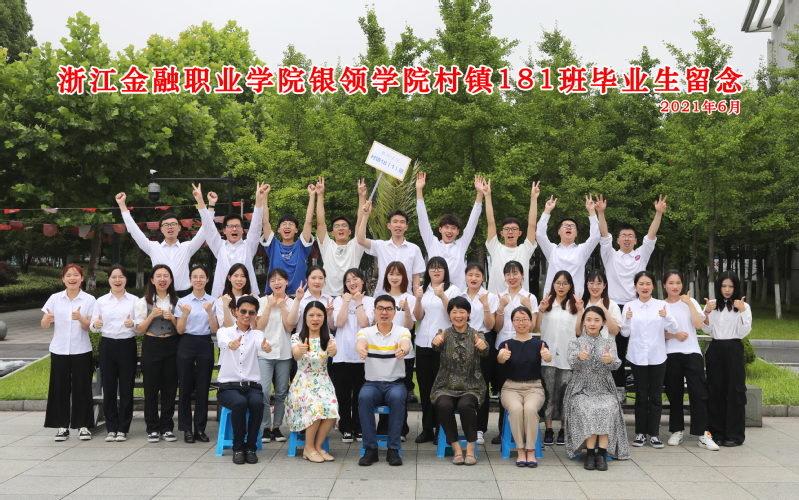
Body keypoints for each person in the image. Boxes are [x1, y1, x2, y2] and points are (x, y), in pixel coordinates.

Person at [597, 195, 667, 402]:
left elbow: (651, 236)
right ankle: (618, 388)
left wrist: (658, 213)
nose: (627, 239)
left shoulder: (641, 255)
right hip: (615, 307)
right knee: (615, 349)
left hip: (637, 306)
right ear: (618, 240)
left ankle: (643, 391)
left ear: (635, 240)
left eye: (630, 236)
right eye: (623, 236)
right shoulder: (610, 255)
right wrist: (601, 213)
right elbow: (604, 234)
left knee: (639, 347)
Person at [564, 306, 630, 470]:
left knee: (608, 406)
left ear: (603, 323)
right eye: (588, 320)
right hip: (581, 389)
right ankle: (590, 453)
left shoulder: (609, 342)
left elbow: (616, 364)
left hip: (604, 388)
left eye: (596, 320)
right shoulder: (575, 342)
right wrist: (579, 358)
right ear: (583, 322)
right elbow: (571, 363)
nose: (592, 323)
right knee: (587, 407)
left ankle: (601, 453)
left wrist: (610, 360)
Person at [662, 270, 719, 450]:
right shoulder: (661, 306)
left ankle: (703, 434)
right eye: (671, 283)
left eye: (678, 282)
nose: (675, 286)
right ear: (664, 285)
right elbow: (658, 333)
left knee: (699, 393)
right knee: (674, 393)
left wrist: (689, 304)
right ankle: (676, 431)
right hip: (671, 354)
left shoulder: (690, 301)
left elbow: (699, 324)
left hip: (692, 353)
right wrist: (675, 335)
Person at [115, 186, 209, 297]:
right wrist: (122, 205)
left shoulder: (187, 247)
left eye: (173, 224)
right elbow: (134, 231)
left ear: (179, 228)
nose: (170, 227)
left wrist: (202, 202)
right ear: (161, 229)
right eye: (166, 225)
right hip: (160, 295)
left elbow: (206, 229)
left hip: (183, 296)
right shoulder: (153, 247)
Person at [621, 271, 678, 449]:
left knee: (655, 396)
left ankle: (654, 434)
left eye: (648, 284)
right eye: (641, 284)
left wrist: (666, 316)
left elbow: (674, 328)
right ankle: (640, 434)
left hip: (657, 356)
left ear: (653, 286)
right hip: (637, 357)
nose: (644, 287)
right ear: (635, 286)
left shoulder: (662, 305)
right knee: (640, 396)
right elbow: (624, 333)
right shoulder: (629, 306)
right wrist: (627, 320)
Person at [41, 264, 97, 441]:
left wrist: (80, 318)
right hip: (59, 350)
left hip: (82, 350)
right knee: (59, 388)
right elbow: (44, 324)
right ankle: (62, 427)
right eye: (68, 275)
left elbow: (90, 327)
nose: (72, 278)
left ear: (82, 278)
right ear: (63, 279)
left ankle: (83, 426)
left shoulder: (89, 300)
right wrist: (47, 320)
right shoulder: (55, 298)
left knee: (82, 388)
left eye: (76, 275)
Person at [430, 297, 489, 465]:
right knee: (444, 405)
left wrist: (483, 346)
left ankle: (470, 448)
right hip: (445, 386)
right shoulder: (443, 334)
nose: (458, 315)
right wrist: (436, 341)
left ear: (468, 313)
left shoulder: (477, 334)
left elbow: (485, 349)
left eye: (462, 311)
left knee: (465, 405)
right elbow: (435, 345)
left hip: (471, 386)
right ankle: (456, 448)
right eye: (454, 312)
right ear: (449, 314)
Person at [356, 295, 412, 466]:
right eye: (380, 308)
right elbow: (360, 343)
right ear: (374, 311)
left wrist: (402, 351)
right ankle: (370, 449)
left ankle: (393, 449)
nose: (384, 312)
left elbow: (406, 344)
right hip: (372, 384)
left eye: (388, 309)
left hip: (395, 384)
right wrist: (361, 349)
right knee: (364, 397)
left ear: (394, 312)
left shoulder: (402, 331)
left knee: (398, 397)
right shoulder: (366, 332)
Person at [216, 296, 272, 464]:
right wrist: (231, 344)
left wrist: (265, 346)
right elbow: (223, 342)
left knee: (257, 403)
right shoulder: (224, 331)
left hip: (251, 386)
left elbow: (261, 342)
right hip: (228, 388)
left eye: (251, 312)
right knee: (239, 403)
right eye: (243, 311)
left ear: (255, 315)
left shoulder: (257, 334)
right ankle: (238, 448)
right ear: (235, 312)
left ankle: (250, 448)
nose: (247, 315)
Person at [413, 257, 462, 443]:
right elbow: (419, 316)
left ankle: (441, 429)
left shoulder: (453, 290)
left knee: (441, 389)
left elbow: (454, 315)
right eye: (432, 268)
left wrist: (442, 296)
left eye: (439, 268)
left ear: (445, 271)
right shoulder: (423, 290)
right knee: (425, 387)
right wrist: (418, 299)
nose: (436, 271)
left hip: (443, 345)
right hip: (423, 343)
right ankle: (427, 428)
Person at [497, 306, 551, 467]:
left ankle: (531, 451)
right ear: (512, 322)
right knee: (515, 409)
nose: (521, 323)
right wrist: (502, 356)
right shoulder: (506, 344)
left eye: (525, 319)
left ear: (531, 322)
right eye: (517, 320)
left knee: (529, 409)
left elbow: (548, 357)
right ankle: (521, 450)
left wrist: (547, 355)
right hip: (510, 388)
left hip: (534, 388)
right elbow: (500, 358)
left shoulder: (540, 344)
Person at [492, 260, 539, 444]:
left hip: (524, 349)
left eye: (515, 273)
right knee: (504, 391)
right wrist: (501, 308)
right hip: (503, 348)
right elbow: (497, 327)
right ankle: (503, 431)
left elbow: (533, 328)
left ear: (522, 275)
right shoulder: (500, 296)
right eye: (508, 274)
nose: (512, 277)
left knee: (524, 392)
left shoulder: (529, 297)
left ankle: (525, 432)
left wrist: (528, 307)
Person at [286, 302, 340, 463]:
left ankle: (317, 447)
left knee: (332, 408)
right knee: (315, 406)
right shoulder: (297, 337)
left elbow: (333, 352)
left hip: (323, 381)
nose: (315, 319)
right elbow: (296, 355)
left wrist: (334, 351)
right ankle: (308, 448)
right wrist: (300, 351)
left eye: (319, 315)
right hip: (303, 383)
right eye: (311, 315)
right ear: (305, 317)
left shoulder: (329, 338)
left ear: (324, 318)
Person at [703, 271, 752, 447]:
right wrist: (707, 312)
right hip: (716, 347)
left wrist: (742, 311)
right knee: (715, 390)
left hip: (734, 348)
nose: (727, 289)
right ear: (719, 287)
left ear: (736, 287)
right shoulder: (712, 304)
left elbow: (743, 331)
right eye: (724, 286)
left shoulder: (743, 306)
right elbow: (706, 329)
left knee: (735, 391)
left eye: (731, 286)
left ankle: (734, 434)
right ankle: (717, 433)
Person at [89, 264, 138, 442]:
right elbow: (93, 326)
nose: (117, 280)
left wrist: (133, 324)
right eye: (114, 277)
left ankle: (123, 428)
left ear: (126, 279)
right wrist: (95, 325)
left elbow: (141, 326)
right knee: (108, 388)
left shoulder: (135, 301)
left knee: (126, 389)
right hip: (107, 345)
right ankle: (111, 428)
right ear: (109, 279)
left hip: (127, 345)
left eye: (121, 277)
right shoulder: (101, 301)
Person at [415, 172, 484, 291]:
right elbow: (423, 219)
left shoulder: (461, 245)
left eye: (453, 228)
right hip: (435, 295)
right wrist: (419, 190)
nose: (449, 231)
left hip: (458, 296)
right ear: (440, 229)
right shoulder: (432, 244)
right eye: (446, 227)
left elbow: (473, 220)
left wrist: (480, 193)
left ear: (458, 232)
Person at [533, 270, 579, 446]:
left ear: (570, 286)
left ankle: (563, 429)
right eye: (558, 282)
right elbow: (536, 328)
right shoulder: (547, 304)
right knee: (549, 394)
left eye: (565, 283)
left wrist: (581, 311)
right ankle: (549, 429)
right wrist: (540, 310)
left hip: (567, 358)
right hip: (548, 357)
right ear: (553, 284)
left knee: (566, 395)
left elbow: (579, 331)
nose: (561, 286)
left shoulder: (574, 306)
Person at [134, 264, 180, 443]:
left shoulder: (178, 301)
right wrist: (151, 316)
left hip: (172, 345)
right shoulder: (142, 302)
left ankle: (167, 427)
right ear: (152, 280)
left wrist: (173, 318)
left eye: (166, 276)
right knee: (151, 388)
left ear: (171, 280)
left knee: (170, 388)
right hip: (151, 345)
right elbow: (139, 330)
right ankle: (152, 428)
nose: (162, 279)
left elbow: (182, 329)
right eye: (158, 276)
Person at [174, 264, 218, 443]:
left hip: (205, 342)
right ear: (190, 280)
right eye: (195, 277)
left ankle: (200, 429)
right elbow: (179, 330)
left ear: (207, 279)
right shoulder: (182, 301)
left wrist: (210, 312)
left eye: (202, 277)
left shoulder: (213, 301)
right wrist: (184, 315)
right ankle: (186, 429)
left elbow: (215, 329)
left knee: (203, 387)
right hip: (186, 342)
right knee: (184, 387)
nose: (198, 280)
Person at [200, 182, 267, 296]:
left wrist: (258, 200)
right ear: (224, 231)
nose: (234, 229)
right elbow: (208, 227)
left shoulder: (248, 246)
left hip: (246, 296)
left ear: (242, 230)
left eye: (237, 226)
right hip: (223, 296)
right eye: (230, 226)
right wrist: (200, 201)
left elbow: (256, 226)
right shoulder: (219, 246)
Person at [332, 268, 375, 443]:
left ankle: (358, 426)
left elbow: (364, 323)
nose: (351, 283)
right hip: (342, 355)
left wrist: (358, 302)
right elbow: (339, 323)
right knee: (343, 394)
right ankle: (345, 427)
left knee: (361, 393)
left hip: (363, 355)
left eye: (355, 279)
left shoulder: (370, 301)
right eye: (348, 280)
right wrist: (346, 301)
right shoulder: (338, 300)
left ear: (362, 281)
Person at [256, 268, 298, 443]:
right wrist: (269, 306)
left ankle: (277, 427)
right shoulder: (262, 301)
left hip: (284, 353)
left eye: (280, 279)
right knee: (264, 391)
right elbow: (259, 326)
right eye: (272, 280)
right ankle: (266, 426)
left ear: (286, 282)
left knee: (281, 392)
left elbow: (289, 327)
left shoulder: (291, 302)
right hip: (264, 353)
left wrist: (282, 307)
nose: (276, 283)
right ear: (269, 284)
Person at [461, 263, 499, 445]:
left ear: (483, 277)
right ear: (465, 276)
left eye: (477, 275)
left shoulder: (490, 297)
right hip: (463, 340)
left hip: (484, 339)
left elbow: (491, 325)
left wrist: (485, 304)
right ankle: (466, 424)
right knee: (464, 383)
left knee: (482, 384)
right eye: (470, 274)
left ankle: (480, 429)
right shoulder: (459, 296)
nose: (474, 278)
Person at [535, 194, 600, 296]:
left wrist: (592, 212)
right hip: (553, 299)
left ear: (576, 233)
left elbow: (595, 237)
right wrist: (547, 211)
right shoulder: (552, 250)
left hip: (575, 300)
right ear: (559, 231)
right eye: (565, 225)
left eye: (572, 226)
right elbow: (539, 234)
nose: (569, 227)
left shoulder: (582, 251)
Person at [482, 179, 539, 294]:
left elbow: (532, 225)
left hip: (520, 301)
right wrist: (487, 196)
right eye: (507, 229)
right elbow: (490, 222)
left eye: (514, 229)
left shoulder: (525, 249)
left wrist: (534, 198)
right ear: (502, 233)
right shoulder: (495, 248)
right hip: (497, 301)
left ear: (520, 233)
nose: (510, 232)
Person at [381, 261, 417, 439]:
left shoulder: (410, 298)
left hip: (404, 354)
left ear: (404, 277)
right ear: (386, 276)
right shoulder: (380, 297)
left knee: (401, 392)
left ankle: (401, 428)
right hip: (382, 352)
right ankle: (383, 427)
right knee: (382, 390)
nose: (394, 278)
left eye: (398, 274)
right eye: (391, 274)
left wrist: (407, 309)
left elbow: (410, 327)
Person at [356, 202, 425, 295]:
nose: (398, 225)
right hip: (382, 297)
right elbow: (360, 240)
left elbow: (416, 277)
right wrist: (365, 216)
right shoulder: (381, 246)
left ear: (406, 227)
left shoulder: (414, 249)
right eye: (395, 222)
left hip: (405, 298)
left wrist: (417, 300)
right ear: (389, 226)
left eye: (402, 222)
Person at [315, 177, 367, 297]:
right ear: (332, 233)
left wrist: (361, 197)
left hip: (351, 295)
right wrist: (320, 195)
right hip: (328, 296)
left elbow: (360, 223)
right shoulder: (327, 245)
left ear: (350, 231)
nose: (341, 228)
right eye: (337, 226)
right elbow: (320, 223)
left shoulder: (356, 245)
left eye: (344, 226)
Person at [261, 183, 315, 295]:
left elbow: (308, 222)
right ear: (278, 230)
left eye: (291, 224)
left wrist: (312, 195)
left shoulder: (301, 246)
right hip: (277, 295)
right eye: (284, 224)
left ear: (296, 230)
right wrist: (264, 196)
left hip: (300, 295)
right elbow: (265, 222)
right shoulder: (273, 246)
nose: (287, 226)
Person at [288, 265, 335, 334]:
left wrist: (329, 315)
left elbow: (333, 327)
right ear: (306, 280)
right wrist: (298, 300)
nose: (317, 281)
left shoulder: (329, 300)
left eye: (321, 278)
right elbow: (291, 322)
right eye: (313, 278)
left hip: (324, 339)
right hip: (303, 338)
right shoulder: (300, 299)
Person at [576, 269, 622, 340]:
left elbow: (615, 331)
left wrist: (605, 311)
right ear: (587, 285)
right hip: (585, 345)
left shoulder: (612, 305)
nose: (594, 287)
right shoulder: (581, 304)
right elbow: (578, 332)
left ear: (604, 285)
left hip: (606, 346)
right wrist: (579, 310)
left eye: (599, 283)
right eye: (591, 283)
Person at [216, 264, 252, 328]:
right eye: (236, 276)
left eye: (243, 276)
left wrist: (248, 303)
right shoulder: (222, 300)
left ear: (246, 279)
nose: (239, 279)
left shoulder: (253, 298)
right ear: (229, 278)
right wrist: (225, 305)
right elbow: (228, 327)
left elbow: (253, 326)